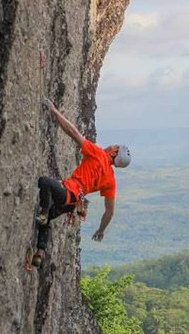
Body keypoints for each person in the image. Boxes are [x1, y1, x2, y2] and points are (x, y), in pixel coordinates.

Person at [32, 98, 131, 267]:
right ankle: (40, 253)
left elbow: (73, 132)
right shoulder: (110, 180)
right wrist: (101, 231)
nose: (111, 145)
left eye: (115, 146)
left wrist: (54, 112)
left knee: (45, 182)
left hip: (68, 193)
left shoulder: (98, 154)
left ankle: (44, 213)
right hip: (72, 204)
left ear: (114, 152)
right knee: (46, 222)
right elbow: (109, 212)